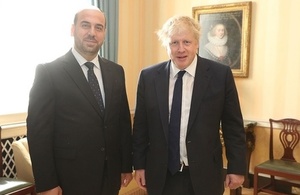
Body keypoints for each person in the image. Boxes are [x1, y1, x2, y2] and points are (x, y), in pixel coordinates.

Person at [132, 15, 246, 195]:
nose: (180, 49)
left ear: (197, 43)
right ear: (166, 45)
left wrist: (237, 167)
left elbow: (233, 126)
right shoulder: (148, 77)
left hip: (205, 174)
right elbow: (140, 126)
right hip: (161, 175)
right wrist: (139, 165)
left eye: (186, 42)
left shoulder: (220, 75)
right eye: (174, 43)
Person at [26, 6, 133, 195]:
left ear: (105, 33)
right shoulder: (49, 72)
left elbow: (122, 121)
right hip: (70, 180)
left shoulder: (116, 72)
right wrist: (47, 183)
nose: (92, 33)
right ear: (73, 29)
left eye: (98, 27)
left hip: (110, 177)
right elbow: (38, 133)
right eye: (86, 25)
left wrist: (125, 164)